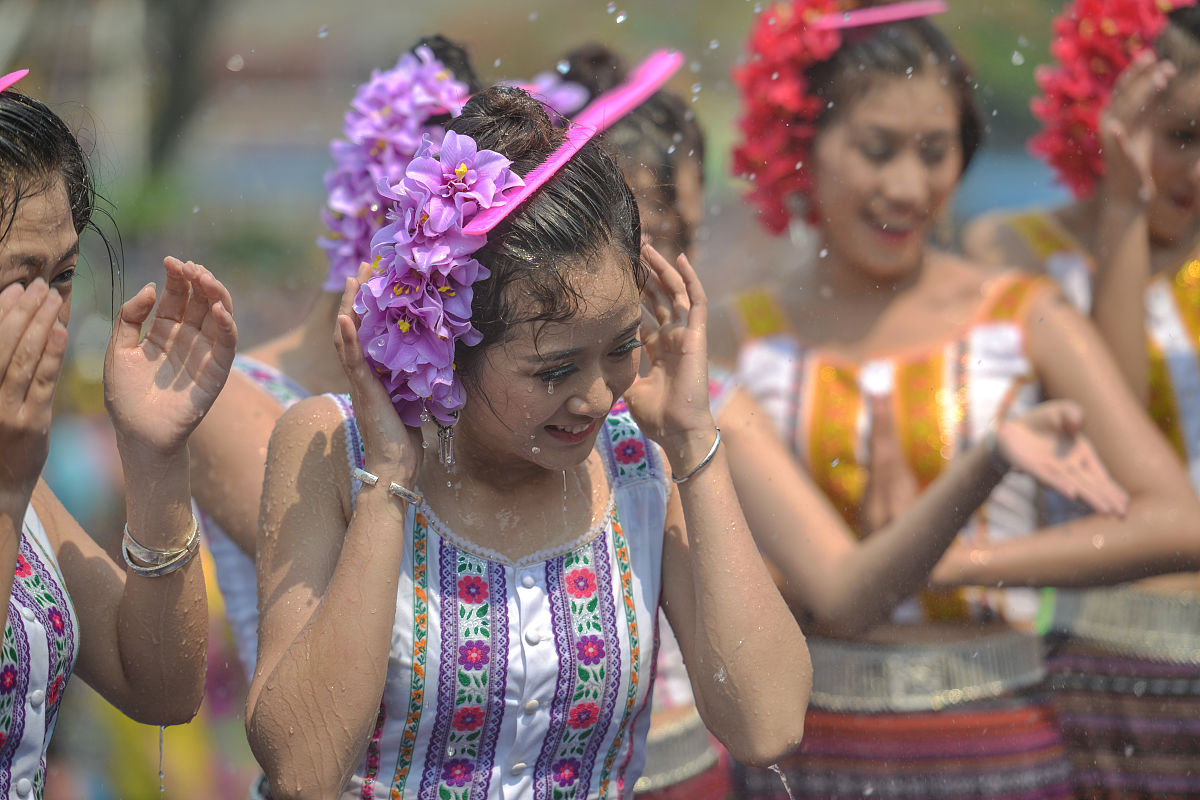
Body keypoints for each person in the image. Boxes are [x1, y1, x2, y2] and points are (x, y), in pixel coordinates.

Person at [244, 79, 811, 798]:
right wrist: (390, 483)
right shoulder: (336, 449)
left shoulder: (641, 462)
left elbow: (769, 723)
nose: (599, 396)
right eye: (554, 370)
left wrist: (695, 442)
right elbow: (302, 768)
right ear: (451, 342)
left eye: (619, 348)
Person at [723, 2, 1200, 797]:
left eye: (936, 152)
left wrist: (950, 563)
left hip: (1005, 743)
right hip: (800, 755)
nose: (909, 187)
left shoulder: (1021, 313)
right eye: (877, 150)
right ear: (799, 146)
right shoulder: (736, 338)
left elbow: (1174, 519)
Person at [963, 1, 1200, 793]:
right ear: (1108, 115)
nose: (1197, 172)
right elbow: (1117, 439)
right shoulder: (1009, 247)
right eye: (1179, 137)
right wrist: (1126, 206)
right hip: (1091, 659)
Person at [0, 71, 237, 792]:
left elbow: (159, 685)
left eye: (63, 276)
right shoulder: (15, 473)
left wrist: (155, 455)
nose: (47, 311)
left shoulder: (28, 489)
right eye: (18, 278)